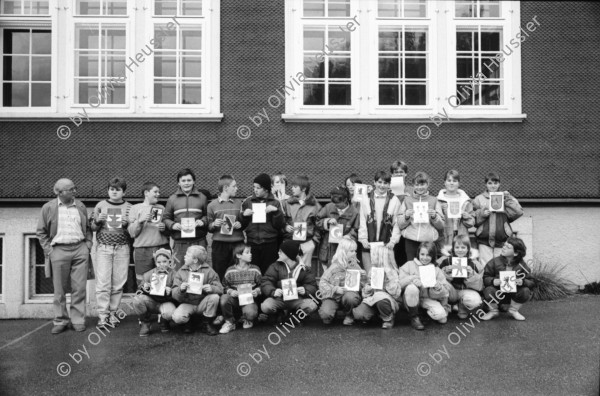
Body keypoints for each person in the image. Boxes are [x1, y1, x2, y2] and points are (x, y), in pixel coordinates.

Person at [36, 178, 93, 334]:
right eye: (71, 189)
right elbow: (41, 232)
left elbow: (87, 228)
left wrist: (88, 244)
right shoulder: (48, 207)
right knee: (59, 289)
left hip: (80, 249)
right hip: (58, 250)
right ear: (59, 192)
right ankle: (61, 320)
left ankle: (78, 320)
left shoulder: (80, 206)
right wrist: (49, 250)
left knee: (79, 288)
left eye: (75, 188)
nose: (75, 191)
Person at [90, 177, 133, 328]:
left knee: (118, 283)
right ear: (108, 190)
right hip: (104, 247)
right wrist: (97, 221)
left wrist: (127, 224)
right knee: (103, 283)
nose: (114, 192)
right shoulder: (100, 205)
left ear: (124, 191)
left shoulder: (129, 207)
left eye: (118, 189)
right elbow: (93, 228)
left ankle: (113, 313)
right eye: (112, 189)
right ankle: (103, 315)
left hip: (122, 247)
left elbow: (134, 231)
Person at [472, 172, 523, 267]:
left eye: (495, 183)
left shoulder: (506, 197)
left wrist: (507, 199)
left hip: (502, 239)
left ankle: (498, 282)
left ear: (499, 184)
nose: (493, 186)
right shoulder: (478, 199)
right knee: (485, 265)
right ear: (485, 184)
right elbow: (472, 219)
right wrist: (482, 214)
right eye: (490, 183)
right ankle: (487, 282)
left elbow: (518, 212)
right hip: (484, 239)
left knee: (501, 266)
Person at [260, 240, 318, 322]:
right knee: (266, 306)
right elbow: (266, 281)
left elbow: (312, 285)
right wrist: (273, 291)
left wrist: (305, 290)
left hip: (297, 298)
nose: (278, 253)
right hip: (280, 298)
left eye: (281, 251)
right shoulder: (275, 266)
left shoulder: (304, 268)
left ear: (289, 254)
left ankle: (295, 315)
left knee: (312, 305)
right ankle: (279, 313)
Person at [163, 168, 209, 270]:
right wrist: (172, 225)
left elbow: (208, 216)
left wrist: (202, 221)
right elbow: (165, 218)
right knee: (179, 271)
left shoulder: (202, 197)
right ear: (178, 183)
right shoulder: (172, 199)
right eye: (183, 181)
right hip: (179, 243)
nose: (186, 183)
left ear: (194, 181)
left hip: (199, 241)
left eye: (189, 180)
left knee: (200, 270)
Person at [393, 171, 445, 261]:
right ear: (413, 185)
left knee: (428, 268)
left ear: (428, 184)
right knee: (412, 267)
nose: (420, 187)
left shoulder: (434, 200)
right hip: (411, 240)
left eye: (422, 184)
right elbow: (400, 224)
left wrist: (434, 217)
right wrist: (406, 217)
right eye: (417, 185)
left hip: (428, 240)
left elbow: (441, 226)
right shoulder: (407, 200)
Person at [240, 173, 285, 274]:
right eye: (254, 187)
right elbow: (241, 225)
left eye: (258, 188)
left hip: (269, 243)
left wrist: (276, 212)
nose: (255, 190)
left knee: (269, 272)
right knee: (253, 272)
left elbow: (280, 225)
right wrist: (244, 215)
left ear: (266, 189)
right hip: (252, 243)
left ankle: (267, 289)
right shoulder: (248, 202)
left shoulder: (275, 203)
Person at [171, 246, 222, 335]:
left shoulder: (209, 271)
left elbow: (220, 289)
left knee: (214, 297)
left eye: (187, 255)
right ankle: (189, 322)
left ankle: (206, 323)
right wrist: (180, 289)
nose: (184, 256)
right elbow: (174, 293)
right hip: (187, 303)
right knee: (177, 318)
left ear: (195, 260)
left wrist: (212, 288)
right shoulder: (181, 271)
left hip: (202, 303)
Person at [399, 242, 449, 330]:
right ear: (418, 253)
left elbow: (446, 292)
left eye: (428, 255)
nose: (425, 258)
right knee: (411, 288)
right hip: (411, 298)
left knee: (442, 318)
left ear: (433, 256)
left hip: (427, 298)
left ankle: (423, 313)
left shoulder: (436, 269)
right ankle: (414, 317)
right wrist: (411, 279)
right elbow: (398, 284)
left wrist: (439, 287)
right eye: (422, 254)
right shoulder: (409, 265)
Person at [481, 237, 534, 321]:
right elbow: (485, 277)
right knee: (488, 290)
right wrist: (493, 281)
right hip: (497, 293)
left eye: (508, 247)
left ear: (516, 253)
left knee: (525, 291)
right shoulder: (494, 262)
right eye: (504, 245)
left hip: (514, 295)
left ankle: (513, 310)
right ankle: (493, 310)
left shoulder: (522, 265)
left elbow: (531, 281)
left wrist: (522, 281)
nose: (504, 247)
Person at [128, 182, 170, 286]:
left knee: (162, 279)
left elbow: (169, 231)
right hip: (142, 250)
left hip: (161, 247)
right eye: (155, 192)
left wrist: (164, 228)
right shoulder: (135, 208)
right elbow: (132, 233)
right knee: (143, 281)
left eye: (158, 192)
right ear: (146, 193)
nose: (158, 194)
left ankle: (160, 302)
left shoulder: (162, 208)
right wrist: (140, 221)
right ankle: (144, 301)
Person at [358, 171, 401, 272]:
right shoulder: (366, 198)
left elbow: (397, 223)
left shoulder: (394, 200)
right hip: (368, 244)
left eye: (385, 183)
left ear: (389, 185)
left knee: (386, 275)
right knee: (370, 276)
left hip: (386, 245)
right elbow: (362, 220)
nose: (382, 185)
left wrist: (393, 241)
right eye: (380, 182)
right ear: (374, 182)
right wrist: (363, 239)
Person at [352, 245, 403, 329]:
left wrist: (386, 282)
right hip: (373, 300)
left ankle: (388, 318)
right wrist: (368, 286)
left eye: (375, 255)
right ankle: (376, 314)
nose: (372, 257)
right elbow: (365, 294)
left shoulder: (392, 271)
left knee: (380, 297)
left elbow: (396, 294)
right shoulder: (372, 271)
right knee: (358, 314)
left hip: (388, 300)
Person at [318, 238, 365, 326]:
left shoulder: (355, 265)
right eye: (351, 251)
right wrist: (335, 289)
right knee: (325, 315)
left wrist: (362, 276)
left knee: (351, 298)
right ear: (343, 252)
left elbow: (363, 285)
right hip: (334, 297)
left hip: (348, 297)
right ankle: (332, 313)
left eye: (355, 250)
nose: (355, 253)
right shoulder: (334, 266)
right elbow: (322, 282)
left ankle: (350, 315)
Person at [219, 243, 262, 334]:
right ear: (238, 255)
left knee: (251, 314)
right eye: (247, 252)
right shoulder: (230, 270)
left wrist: (257, 291)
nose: (250, 254)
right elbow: (223, 287)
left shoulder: (255, 269)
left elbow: (262, 285)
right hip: (235, 299)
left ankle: (247, 318)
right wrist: (231, 291)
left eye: (250, 252)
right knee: (224, 299)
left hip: (249, 300)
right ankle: (230, 322)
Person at [133, 248, 177, 337]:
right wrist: (144, 287)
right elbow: (139, 290)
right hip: (152, 302)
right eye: (159, 262)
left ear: (169, 261)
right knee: (137, 300)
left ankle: (164, 320)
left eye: (164, 261)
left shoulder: (174, 274)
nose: (161, 264)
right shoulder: (148, 274)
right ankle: (146, 322)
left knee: (169, 312)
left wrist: (172, 291)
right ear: (155, 262)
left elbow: (179, 292)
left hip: (167, 302)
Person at [207, 175, 244, 281]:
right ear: (225, 188)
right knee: (220, 272)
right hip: (220, 245)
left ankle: (237, 295)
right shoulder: (212, 205)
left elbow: (244, 222)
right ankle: (221, 294)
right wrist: (214, 224)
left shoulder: (239, 204)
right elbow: (208, 227)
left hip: (237, 243)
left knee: (238, 272)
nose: (237, 188)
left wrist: (240, 224)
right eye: (234, 186)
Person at [438, 235, 483, 319]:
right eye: (457, 247)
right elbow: (435, 274)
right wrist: (445, 272)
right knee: (441, 286)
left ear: (468, 249)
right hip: (449, 290)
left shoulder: (475, 263)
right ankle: (445, 307)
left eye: (463, 247)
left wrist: (472, 274)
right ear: (453, 248)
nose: (460, 250)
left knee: (475, 301)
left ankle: (462, 306)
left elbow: (480, 285)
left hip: (465, 290)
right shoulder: (444, 260)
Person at [316, 187, 360, 272]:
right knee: (327, 273)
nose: (336, 206)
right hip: (327, 248)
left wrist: (349, 236)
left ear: (346, 200)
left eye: (339, 204)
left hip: (344, 250)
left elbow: (356, 228)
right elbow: (317, 221)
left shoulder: (354, 212)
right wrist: (327, 221)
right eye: (335, 204)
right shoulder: (328, 207)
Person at [282, 175, 321, 271]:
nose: (292, 188)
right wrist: (285, 226)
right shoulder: (287, 203)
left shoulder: (314, 205)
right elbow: (281, 220)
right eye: (292, 186)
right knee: (289, 270)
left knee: (305, 271)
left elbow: (319, 224)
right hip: (290, 242)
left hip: (307, 242)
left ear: (303, 188)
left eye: (295, 187)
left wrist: (314, 241)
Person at [436, 170, 475, 250]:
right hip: (444, 237)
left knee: (460, 260)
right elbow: (436, 223)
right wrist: (443, 212)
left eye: (454, 181)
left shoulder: (466, 201)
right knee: (446, 260)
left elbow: (472, 223)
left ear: (459, 183)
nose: (451, 183)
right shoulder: (438, 201)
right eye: (449, 180)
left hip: (461, 236)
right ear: (444, 182)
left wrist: (466, 217)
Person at [390, 160, 412, 266]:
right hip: (390, 225)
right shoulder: (386, 188)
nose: (399, 174)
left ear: (406, 173)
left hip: (406, 226)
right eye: (396, 172)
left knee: (404, 255)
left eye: (401, 171)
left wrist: (410, 198)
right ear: (392, 174)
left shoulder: (412, 190)